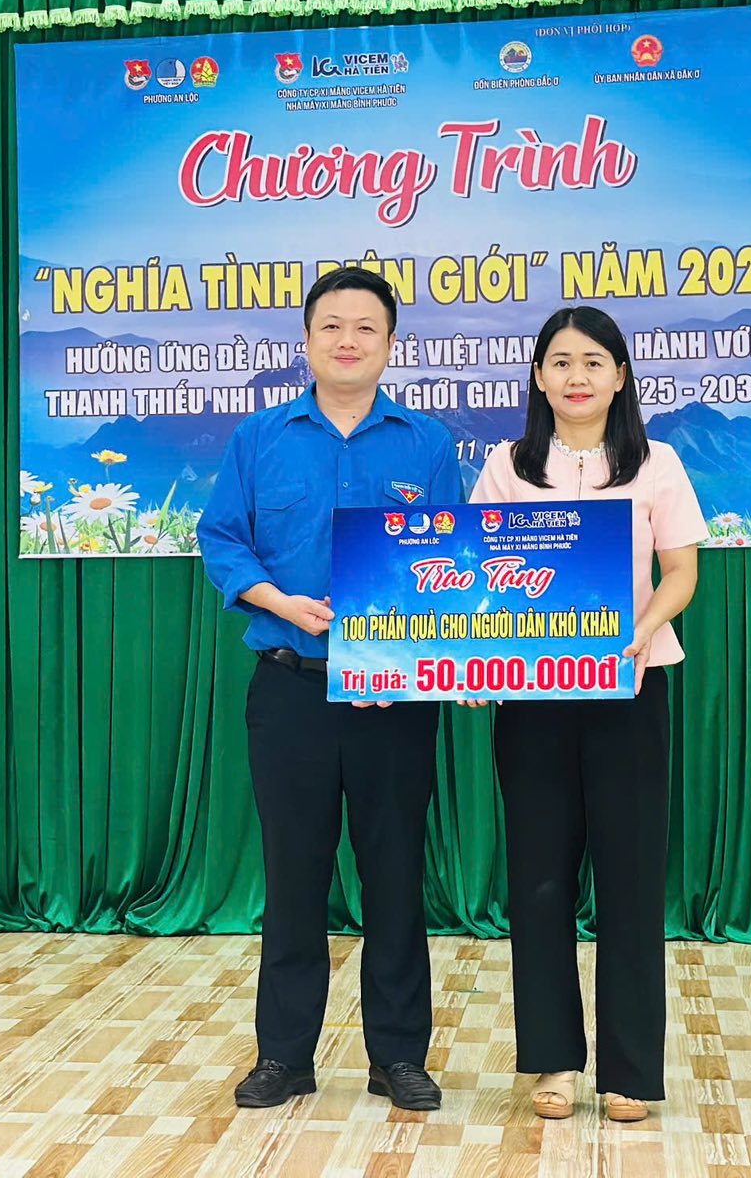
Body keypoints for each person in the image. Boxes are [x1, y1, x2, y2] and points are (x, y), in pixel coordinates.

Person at [198, 266, 464, 1112]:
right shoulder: (261, 437)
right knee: (293, 877)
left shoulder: (426, 443)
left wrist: (402, 660)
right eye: (332, 327)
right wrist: (280, 602)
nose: (348, 341)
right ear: (307, 341)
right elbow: (222, 539)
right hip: (291, 691)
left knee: (395, 877)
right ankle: (283, 1057)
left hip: (396, 700)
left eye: (366, 328)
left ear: (391, 344)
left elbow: (452, 563)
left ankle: (398, 1057)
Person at [470, 306, 704, 1125]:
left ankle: (631, 1071)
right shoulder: (506, 466)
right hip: (533, 700)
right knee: (538, 881)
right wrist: (474, 655)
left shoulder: (657, 463)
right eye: (561, 362)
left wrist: (640, 630)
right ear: (538, 376)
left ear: (620, 376)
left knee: (631, 880)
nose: (577, 376)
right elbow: (480, 575)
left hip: (630, 692)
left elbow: (681, 571)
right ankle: (554, 1061)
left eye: (594, 362)